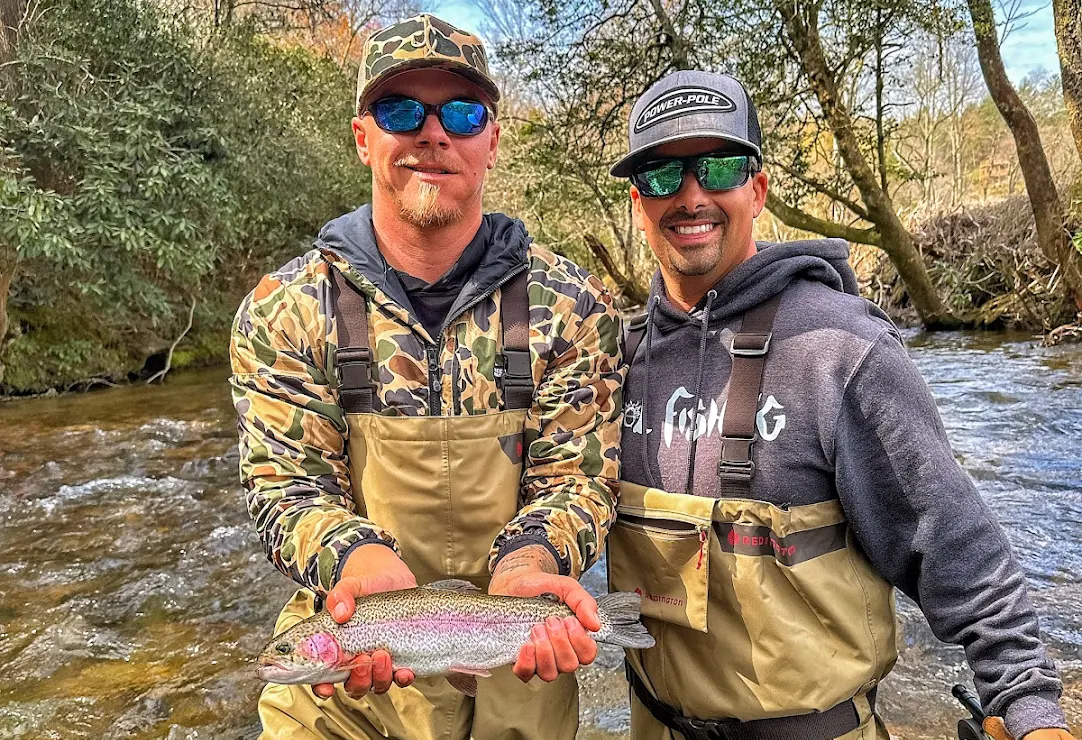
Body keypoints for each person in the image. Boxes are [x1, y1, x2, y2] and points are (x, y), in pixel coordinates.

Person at [606, 70, 1075, 740]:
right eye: (659, 176)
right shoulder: (614, 361)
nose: (689, 195)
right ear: (636, 201)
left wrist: (1032, 712)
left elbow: (958, 551)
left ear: (757, 189)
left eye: (718, 167)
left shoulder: (841, 350)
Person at [229, 14, 623, 740]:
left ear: (493, 141)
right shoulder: (284, 311)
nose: (433, 134)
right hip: (343, 687)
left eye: (463, 112)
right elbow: (285, 485)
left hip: (515, 666)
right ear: (363, 137)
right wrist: (356, 556)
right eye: (401, 109)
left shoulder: (570, 305)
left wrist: (533, 561)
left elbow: (579, 479)